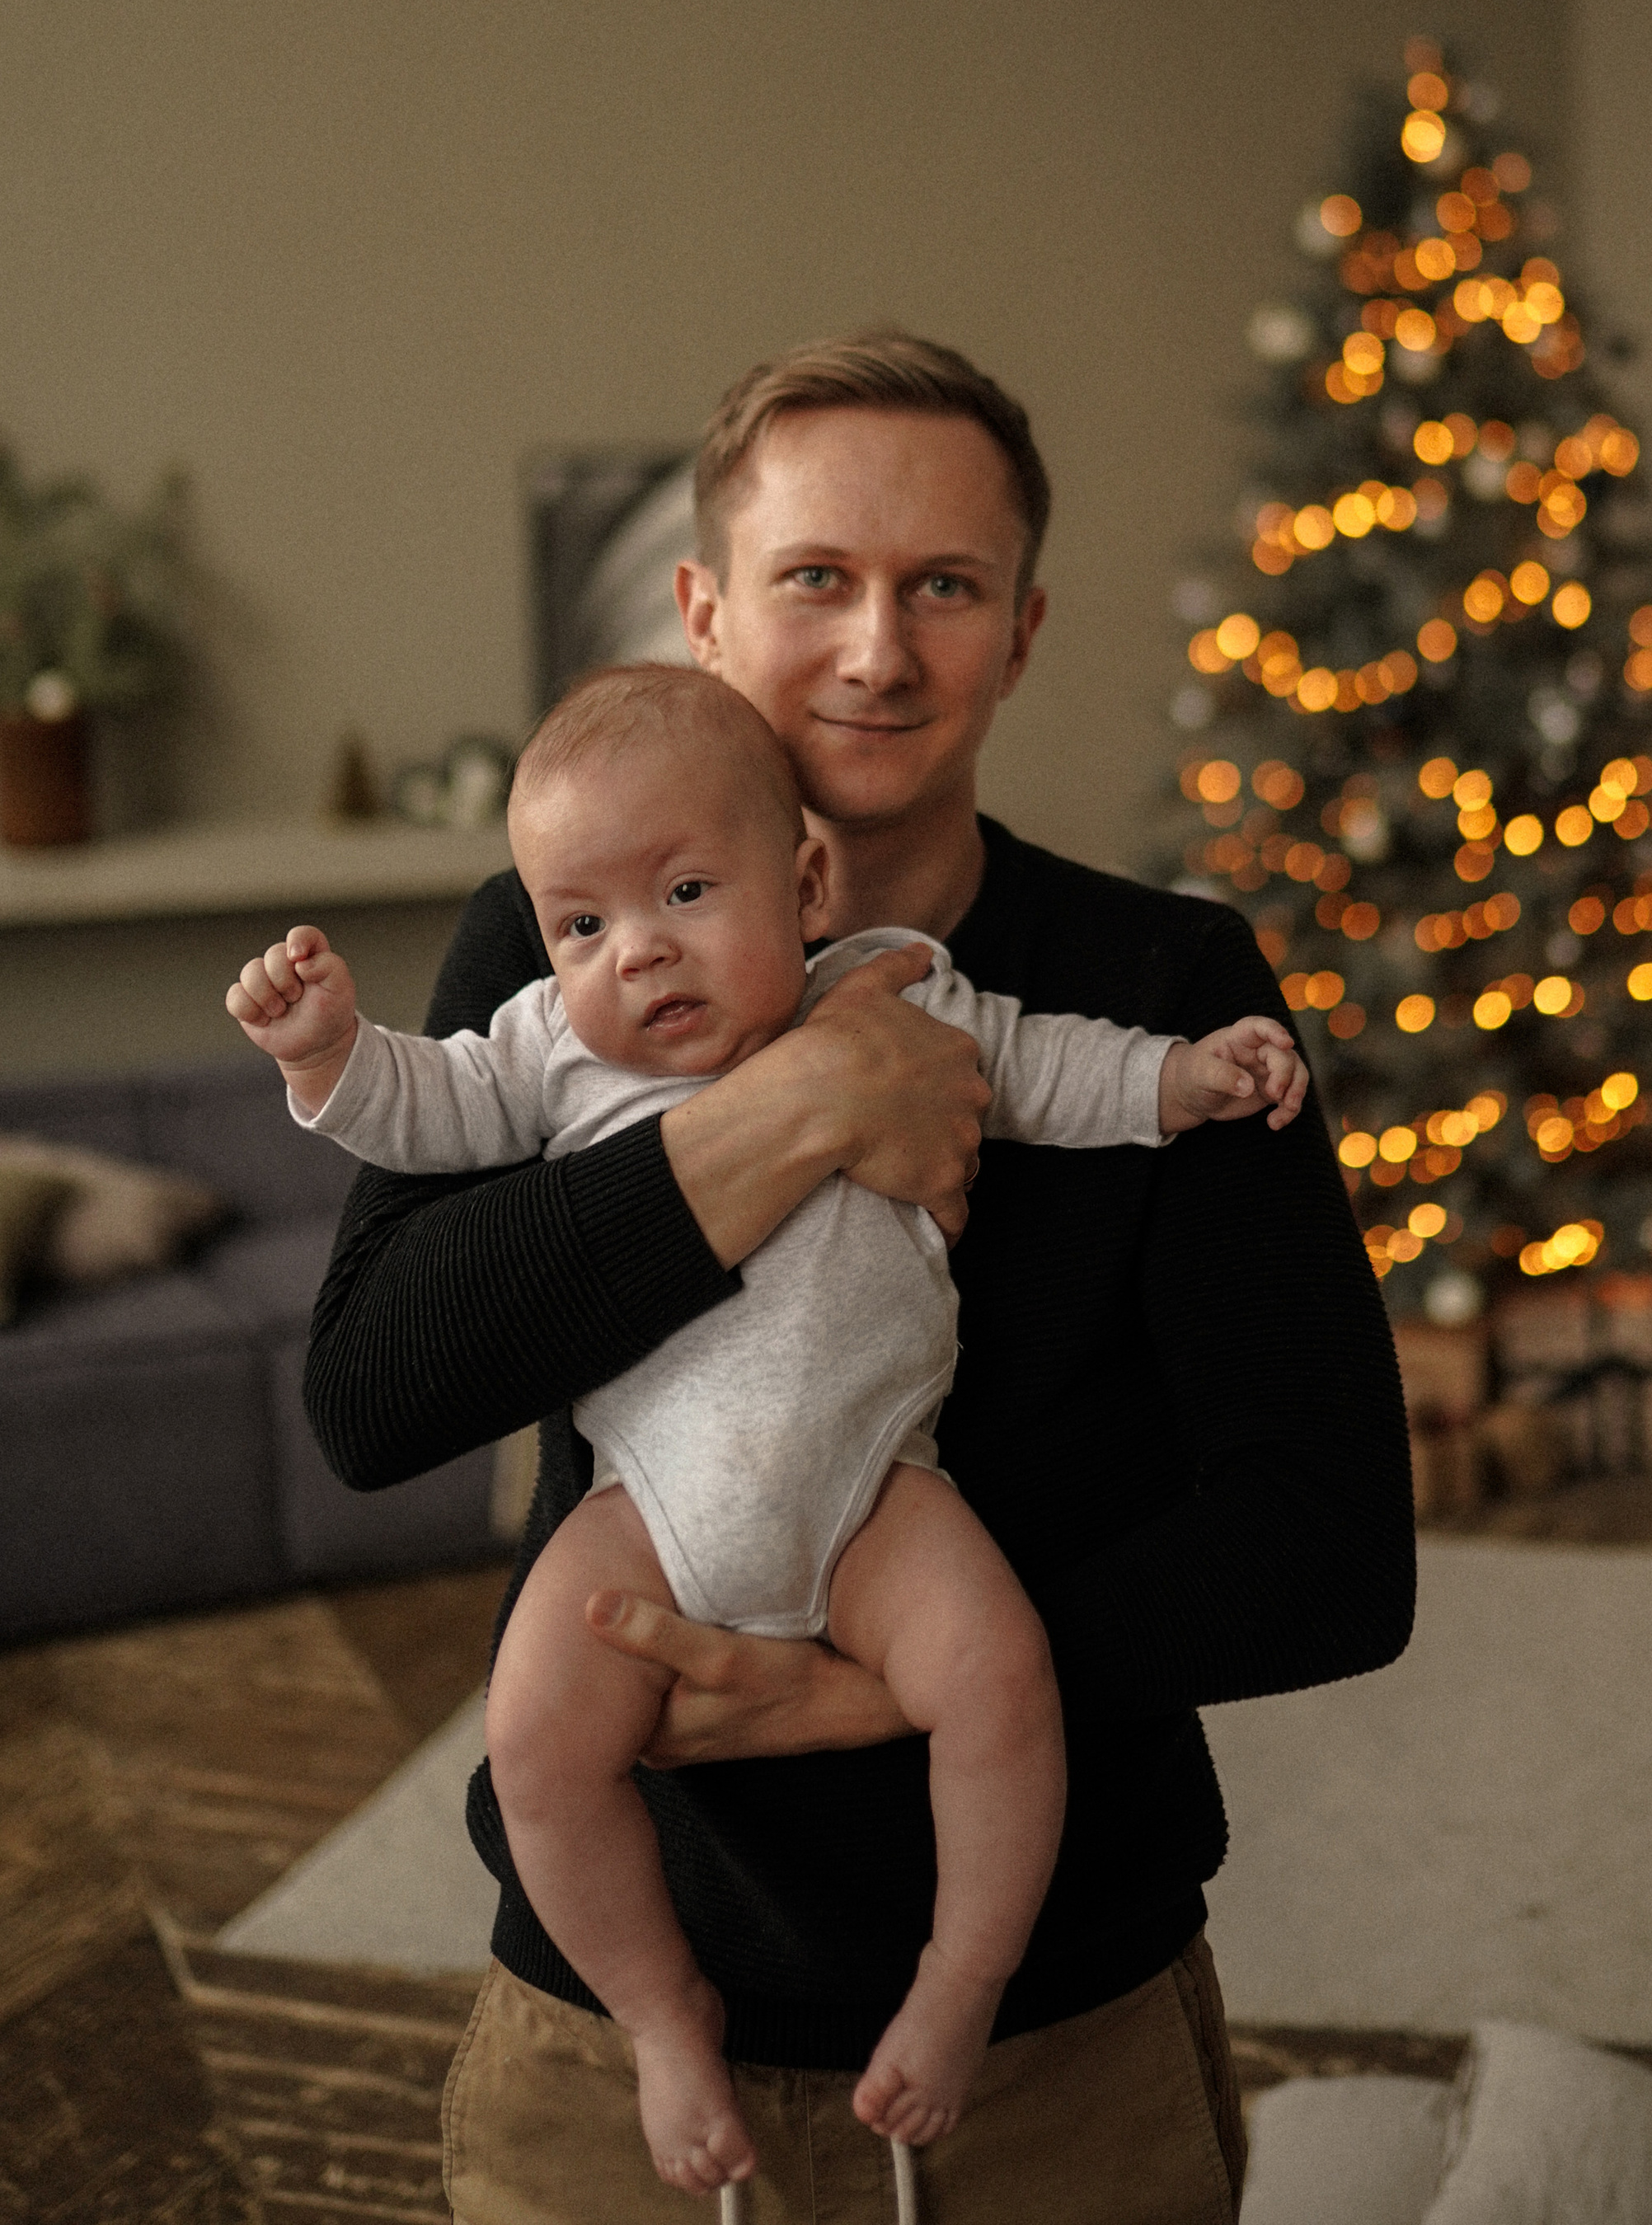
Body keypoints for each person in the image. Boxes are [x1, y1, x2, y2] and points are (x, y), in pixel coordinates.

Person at [303, 331, 1415, 2225]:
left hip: (1058, 2042)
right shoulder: (554, 946)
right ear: (703, 610)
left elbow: (1331, 1552)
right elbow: (375, 1399)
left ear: (1022, 627)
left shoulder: (1159, 983)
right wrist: (797, 1108)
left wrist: (875, 1690)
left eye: (944, 589)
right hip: (605, 2032)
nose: (877, 652)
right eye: (815, 578)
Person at [230, 662, 1307, 2193]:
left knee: (999, 1686)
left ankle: (957, 1991)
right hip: (651, 1508)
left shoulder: (903, 989)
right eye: (585, 924)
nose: (639, 953)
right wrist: (326, 1057)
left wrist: (1184, 1078)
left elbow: (1050, 1067)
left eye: (683, 892)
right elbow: (428, 1111)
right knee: (536, 1739)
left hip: (876, 1493)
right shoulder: (549, 1047)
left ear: (801, 883)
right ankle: (664, 2018)